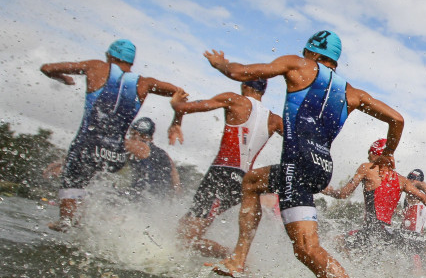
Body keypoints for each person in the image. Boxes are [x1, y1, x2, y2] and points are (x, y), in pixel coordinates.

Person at [205, 30, 411, 278]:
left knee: (305, 248)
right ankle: (238, 258)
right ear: (335, 61)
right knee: (252, 181)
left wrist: (221, 64)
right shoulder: (352, 94)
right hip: (321, 167)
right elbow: (397, 120)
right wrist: (387, 155)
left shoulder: (298, 66)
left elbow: (240, 72)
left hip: (296, 163)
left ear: (311, 53)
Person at [40, 39, 187, 229]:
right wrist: (176, 121)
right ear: (131, 62)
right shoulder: (144, 83)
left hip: (88, 145)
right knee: (95, 181)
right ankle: (90, 221)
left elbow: (47, 67)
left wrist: (61, 78)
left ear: (110, 55)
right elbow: (180, 93)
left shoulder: (95, 67)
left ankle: (66, 220)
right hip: (115, 154)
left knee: (73, 181)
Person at [170, 78, 283, 258]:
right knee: (184, 227)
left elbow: (184, 107)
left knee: (188, 237)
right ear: (264, 91)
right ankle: (228, 261)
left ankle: (235, 260)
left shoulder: (234, 100)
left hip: (222, 174)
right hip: (243, 182)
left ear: (244, 85)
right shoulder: (275, 120)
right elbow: (298, 145)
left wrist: (176, 104)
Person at [323, 139, 426, 253]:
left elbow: (344, 193)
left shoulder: (366, 168)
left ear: (377, 153)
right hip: (387, 233)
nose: (368, 156)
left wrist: (327, 190)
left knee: (337, 241)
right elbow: (425, 198)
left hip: (371, 230)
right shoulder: (401, 180)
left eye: (370, 152)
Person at [124, 118, 181, 199]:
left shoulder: (133, 147)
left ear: (150, 138)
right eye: (133, 134)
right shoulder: (165, 155)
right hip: (156, 201)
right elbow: (176, 185)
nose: (137, 139)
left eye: (142, 136)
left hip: (138, 198)